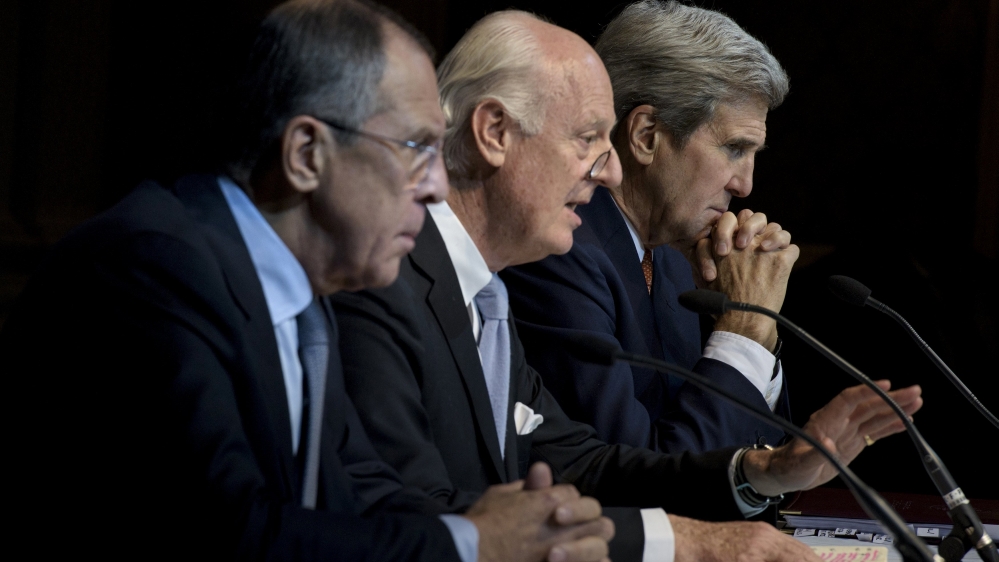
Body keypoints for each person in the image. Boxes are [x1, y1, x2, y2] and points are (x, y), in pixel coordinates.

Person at [0, 1, 616, 561]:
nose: (434, 185)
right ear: (305, 154)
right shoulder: (150, 271)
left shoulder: (307, 299)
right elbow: (229, 533)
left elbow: (355, 498)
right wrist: (476, 543)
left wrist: (531, 529)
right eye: (416, 147)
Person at [331, 9, 923, 562]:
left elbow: (579, 462)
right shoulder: (383, 281)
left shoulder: (493, 290)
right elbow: (415, 518)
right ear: (495, 132)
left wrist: (762, 471)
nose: (608, 167)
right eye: (588, 137)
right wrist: (695, 542)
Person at [502, 0, 795, 455]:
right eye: (735, 148)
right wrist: (743, 328)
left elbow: (769, 463)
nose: (745, 185)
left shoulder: (680, 262)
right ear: (646, 136)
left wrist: (759, 335)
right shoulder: (559, 252)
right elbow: (641, 471)